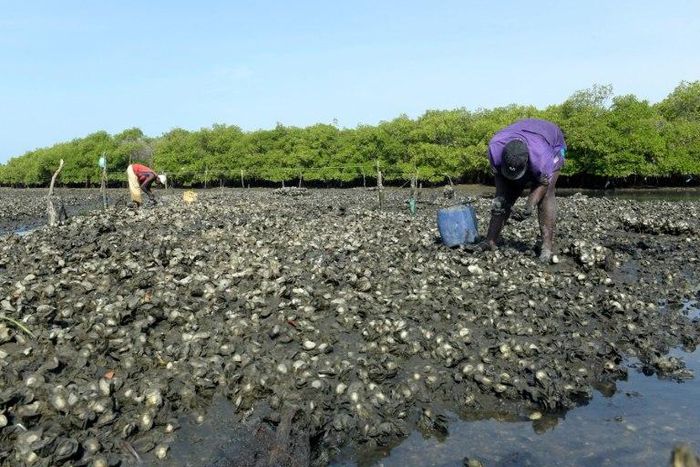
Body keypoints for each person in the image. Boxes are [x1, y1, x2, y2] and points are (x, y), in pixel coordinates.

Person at [483, 118, 567, 262]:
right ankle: (490, 241)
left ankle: (547, 247)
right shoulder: (494, 148)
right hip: (523, 135)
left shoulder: (542, 157)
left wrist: (529, 206)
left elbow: (544, 184)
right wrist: (501, 200)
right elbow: (500, 181)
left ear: (527, 162)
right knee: (503, 196)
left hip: (551, 141)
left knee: (547, 195)